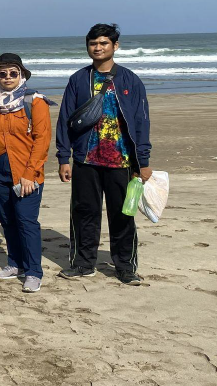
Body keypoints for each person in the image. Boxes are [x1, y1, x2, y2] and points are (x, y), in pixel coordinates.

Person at [56, 23, 152, 286]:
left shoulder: (130, 80)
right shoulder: (78, 79)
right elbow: (66, 119)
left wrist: (142, 162)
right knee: (84, 213)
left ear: (115, 46)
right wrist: (64, 157)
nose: (97, 48)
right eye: (93, 43)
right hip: (86, 158)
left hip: (122, 160)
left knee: (123, 215)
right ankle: (83, 264)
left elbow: (142, 122)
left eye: (103, 43)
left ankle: (125, 267)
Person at [0, 54, 53, 293]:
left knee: (26, 222)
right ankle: (15, 264)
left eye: (13, 73)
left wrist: (29, 174)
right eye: (2, 73)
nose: (8, 77)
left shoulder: (35, 102)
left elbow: (42, 140)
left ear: (21, 75)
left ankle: (33, 272)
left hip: (26, 171)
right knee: (7, 220)